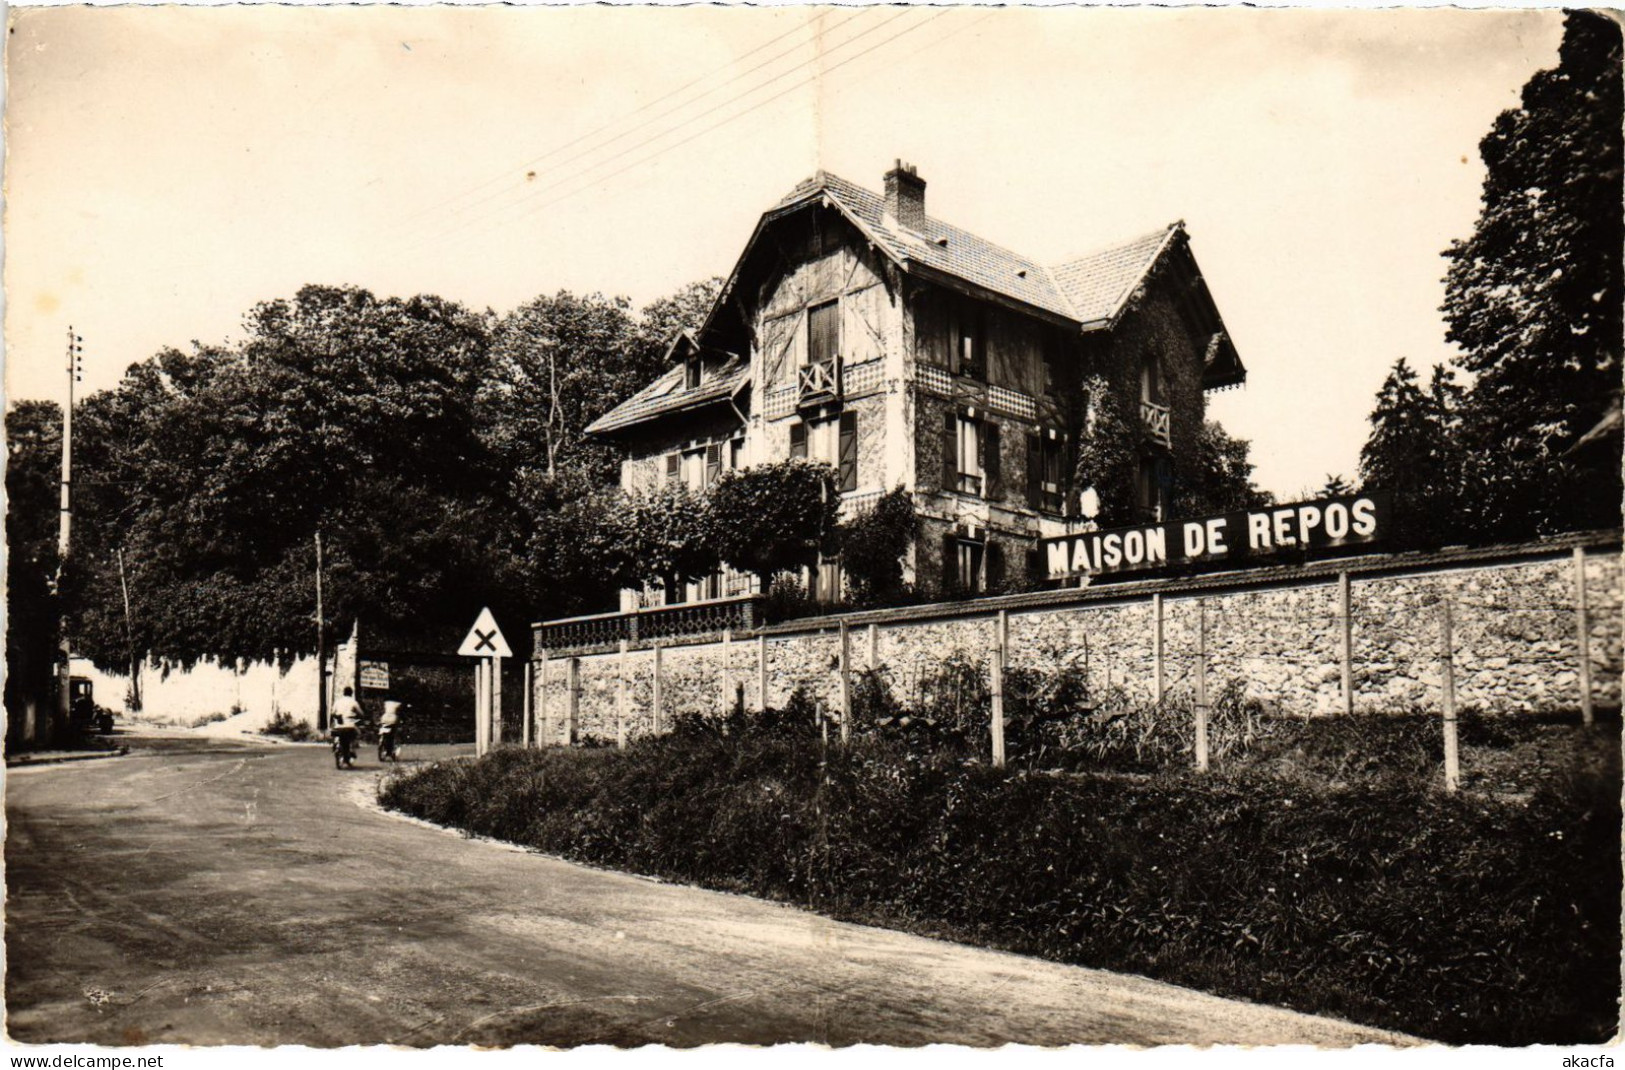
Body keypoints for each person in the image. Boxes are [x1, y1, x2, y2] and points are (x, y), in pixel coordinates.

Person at [331, 686, 363, 767]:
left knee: (338, 735)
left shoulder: (337, 702)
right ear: (351, 693)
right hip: (349, 726)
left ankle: (336, 746)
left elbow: (332, 713)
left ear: (343, 693)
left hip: (338, 726)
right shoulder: (353, 702)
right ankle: (352, 749)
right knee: (356, 734)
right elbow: (361, 713)